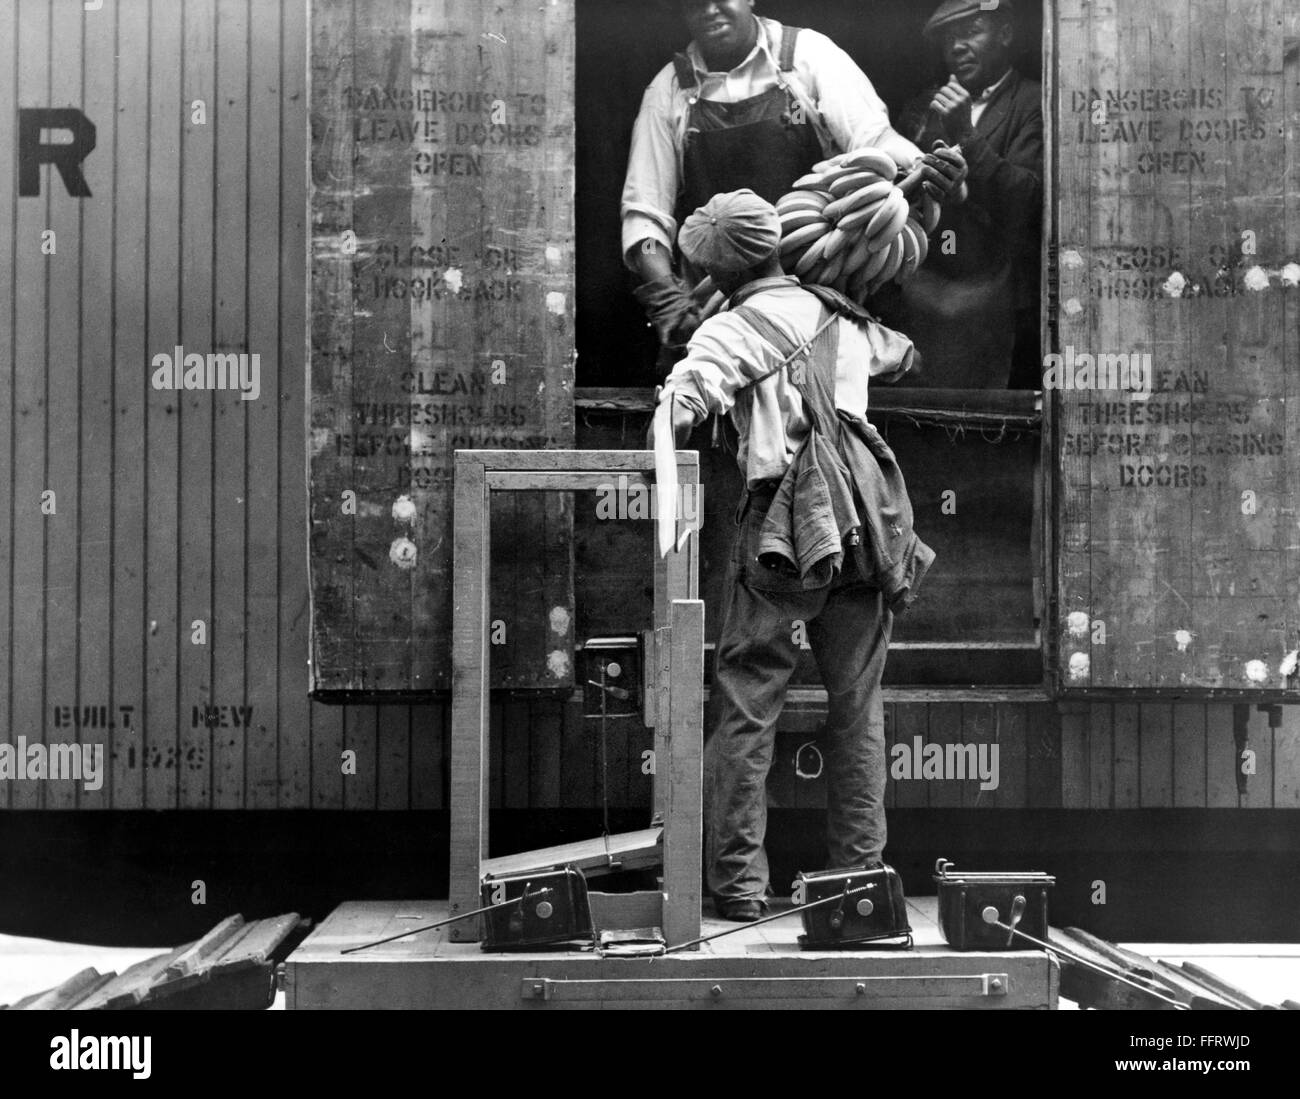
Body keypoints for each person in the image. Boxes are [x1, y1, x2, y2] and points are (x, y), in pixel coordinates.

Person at [649, 190, 932, 921]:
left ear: (717, 270)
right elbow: (901, 353)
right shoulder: (841, 313)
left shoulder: (732, 329)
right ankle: (860, 879)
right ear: (777, 241)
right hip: (866, 526)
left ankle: (740, 887)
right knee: (858, 703)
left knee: (748, 700)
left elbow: (683, 403)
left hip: (781, 533)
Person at [623, 0, 966, 366]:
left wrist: (921, 166)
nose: (710, 10)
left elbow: (874, 139)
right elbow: (646, 217)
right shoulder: (669, 90)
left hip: (820, 293)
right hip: (719, 310)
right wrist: (666, 295)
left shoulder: (807, 57)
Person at [874, 0, 1044, 389]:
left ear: (1004, 35)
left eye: (972, 32)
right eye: (949, 38)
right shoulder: (922, 106)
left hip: (995, 299)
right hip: (922, 297)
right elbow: (892, 192)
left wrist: (965, 135)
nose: (957, 46)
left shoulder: (1033, 101)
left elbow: (1029, 200)